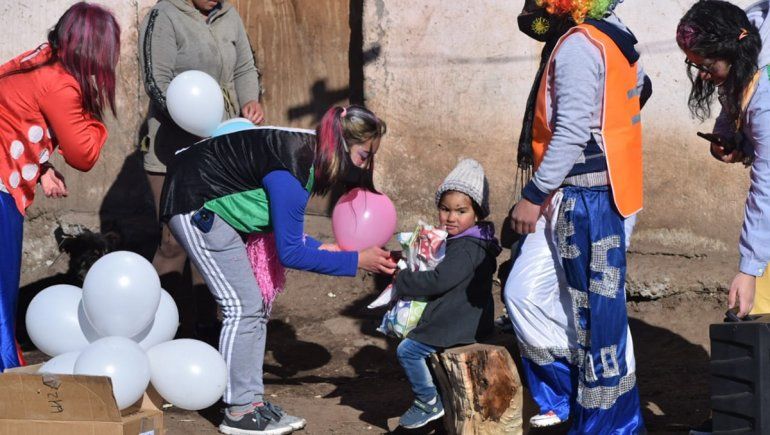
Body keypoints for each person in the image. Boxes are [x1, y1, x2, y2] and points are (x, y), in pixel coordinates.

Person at [160, 105, 396, 435]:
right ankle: (240, 412)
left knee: (251, 307)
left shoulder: (305, 155)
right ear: (342, 143)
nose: (365, 166)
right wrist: (356, 261)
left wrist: (328, 249)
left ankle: (251, 403)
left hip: (210, 202)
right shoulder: (295, 167)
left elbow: (290, 233)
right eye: (362, 156)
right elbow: (291, 253)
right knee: (241, 307)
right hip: (195, 203)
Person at [504, 0, 651, 432]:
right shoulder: (610, 35)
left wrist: (533, 194)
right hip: (574, 192)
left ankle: (611, 423)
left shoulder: (580, 46)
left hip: (589, 199)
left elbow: (570, 131)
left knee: (600, 317)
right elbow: (641, 89)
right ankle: (570, 398)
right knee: (524, 294)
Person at [0, 2, 120, 371]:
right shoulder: (62, 85)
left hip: (8, 179)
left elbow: (12, 117)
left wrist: (40, 167)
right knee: (2, 300)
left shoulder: (40, 57)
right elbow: (84, 154)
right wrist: (97, 121)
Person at [139, 0, 264, 337]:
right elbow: (156, 80)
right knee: (174, 243)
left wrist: (250, 100)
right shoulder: (164, 16)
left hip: (217, 149)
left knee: (212, 237)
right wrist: (192, 116)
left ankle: (208, 329)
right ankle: (158, 329)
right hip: (172, 151)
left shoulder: (228, 15)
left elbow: (245, 68)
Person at [392, 158, 501, 430]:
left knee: (408, 351)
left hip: (457, 323)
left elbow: (440, 281)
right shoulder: (471, 241)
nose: (451, 218)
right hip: (466, 318)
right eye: (444, 209)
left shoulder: (466, 247)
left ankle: (427, 401)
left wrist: (403, 280)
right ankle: (441, 398)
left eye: (460, 211)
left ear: (477, 213)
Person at [677, 0, 769, 320]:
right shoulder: (749, 34)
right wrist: (730, 134)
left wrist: (747, 269)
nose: (702, 76)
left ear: (731, 54)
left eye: (707, 66)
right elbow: (738, 89)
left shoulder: (765, 96)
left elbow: (767, 183)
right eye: (695, 65)